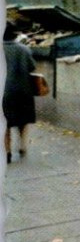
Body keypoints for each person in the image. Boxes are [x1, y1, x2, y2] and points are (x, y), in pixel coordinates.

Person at [3, 22, 37, 163]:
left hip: (4, 93)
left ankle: (7, 151)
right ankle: (22, 145)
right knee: (23, 119)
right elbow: (32, 67)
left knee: (5, 124)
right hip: (24, 91)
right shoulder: (24, 49)